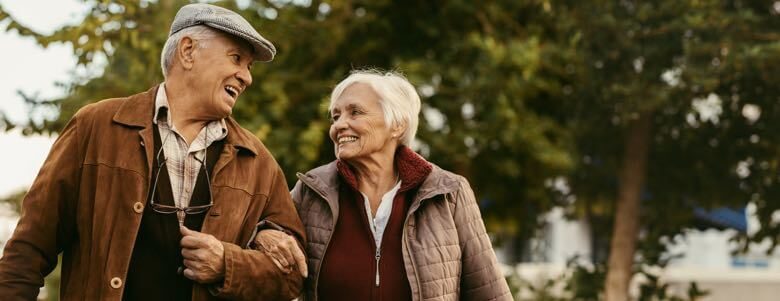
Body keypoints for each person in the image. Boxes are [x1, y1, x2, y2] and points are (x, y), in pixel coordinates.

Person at [0, 4, 305, 300]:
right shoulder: (94, 126)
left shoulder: (258, 161)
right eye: (236, 58)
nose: (246, 77)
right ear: (187, 51)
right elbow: (28, 251)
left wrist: (229, 265)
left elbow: (293, 277)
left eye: (248, 67)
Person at [256, 70, 512, 300]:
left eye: (355, 112)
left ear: (397, 124)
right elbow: (260, 243)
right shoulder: (312, 190)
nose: (338, 125)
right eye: (335, 116)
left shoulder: (449, 192)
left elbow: (488, 292)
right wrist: (262, 234)